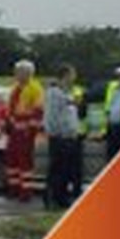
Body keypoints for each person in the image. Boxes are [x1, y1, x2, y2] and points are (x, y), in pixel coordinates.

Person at [1, 59, 43, 202]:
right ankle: (13, 189)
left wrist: (30, 129)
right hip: (14, 130)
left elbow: (38, 111)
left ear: (28, 73)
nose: (16, 74)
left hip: (25, 132)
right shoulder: (15, 88)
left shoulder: (34, 88)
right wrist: (6, 123)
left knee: (25, 163)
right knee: (11, 162)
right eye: (16, 71)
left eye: (19, 72)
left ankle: (25, 192)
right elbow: (9, 109)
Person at [43, 64, 81, 210]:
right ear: (65, 75)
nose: (74, 77)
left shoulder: (66, 92)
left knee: (65, 171)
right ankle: (51, 199)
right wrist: (56, 132)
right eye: (72, 74)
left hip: (69, 136)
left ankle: (62, 198)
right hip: (60, 137)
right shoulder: (55, 93)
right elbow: (52, 116)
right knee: (57, 170)